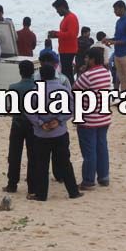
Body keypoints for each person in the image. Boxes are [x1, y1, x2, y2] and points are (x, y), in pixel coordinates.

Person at [25, 65, 81, 202]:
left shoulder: (35, 91)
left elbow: (29, 111)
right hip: (59, 133)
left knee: (41, 165)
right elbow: (72, 108)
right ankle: (73, 192)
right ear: (55, 75)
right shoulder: (63, 90)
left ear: (41, 76)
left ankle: (41, 194)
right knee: (65, 163)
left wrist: (40, 123)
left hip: (41, 134)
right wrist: (59, 120)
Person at [75, 47, 112, 191]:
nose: (85, 60)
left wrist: (82, 72)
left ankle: (88, 180)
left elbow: (75, 89)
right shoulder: (106, 72)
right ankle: (103, 177)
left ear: (92, 59)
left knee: (89, 151)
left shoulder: (88, 75)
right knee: (102, 147)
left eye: (87, 58)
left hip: (89, 118)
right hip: (103, 117)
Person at [3, 60, 37, 194]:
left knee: (14, 154)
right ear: (33, 71)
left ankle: (12, 184)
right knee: (33, 155)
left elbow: (10, 109)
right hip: (33, 125)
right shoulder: (37, 87)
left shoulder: (13, 87)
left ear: (20, 72)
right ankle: (32, 186)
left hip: (17, 124)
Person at [105, 0, 126, 93]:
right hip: (117, 54)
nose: (114, 11)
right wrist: (108, 40)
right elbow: (117, 38)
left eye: (116, 9)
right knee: (122, 79)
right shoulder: (119, 21)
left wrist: (114, 42)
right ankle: (125, 99)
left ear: (122, 8)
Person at [47, 0, 80, 82]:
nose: (57, 12)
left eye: (57, 9)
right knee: (66, 72)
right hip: (65, 50)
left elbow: (72, 35)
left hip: (69, 50)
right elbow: (65, 34)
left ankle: (70, 91)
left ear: (62, 7)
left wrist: (57, 34)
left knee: (67, 73)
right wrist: (55, 34)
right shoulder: (66, 18)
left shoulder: (71, 17)